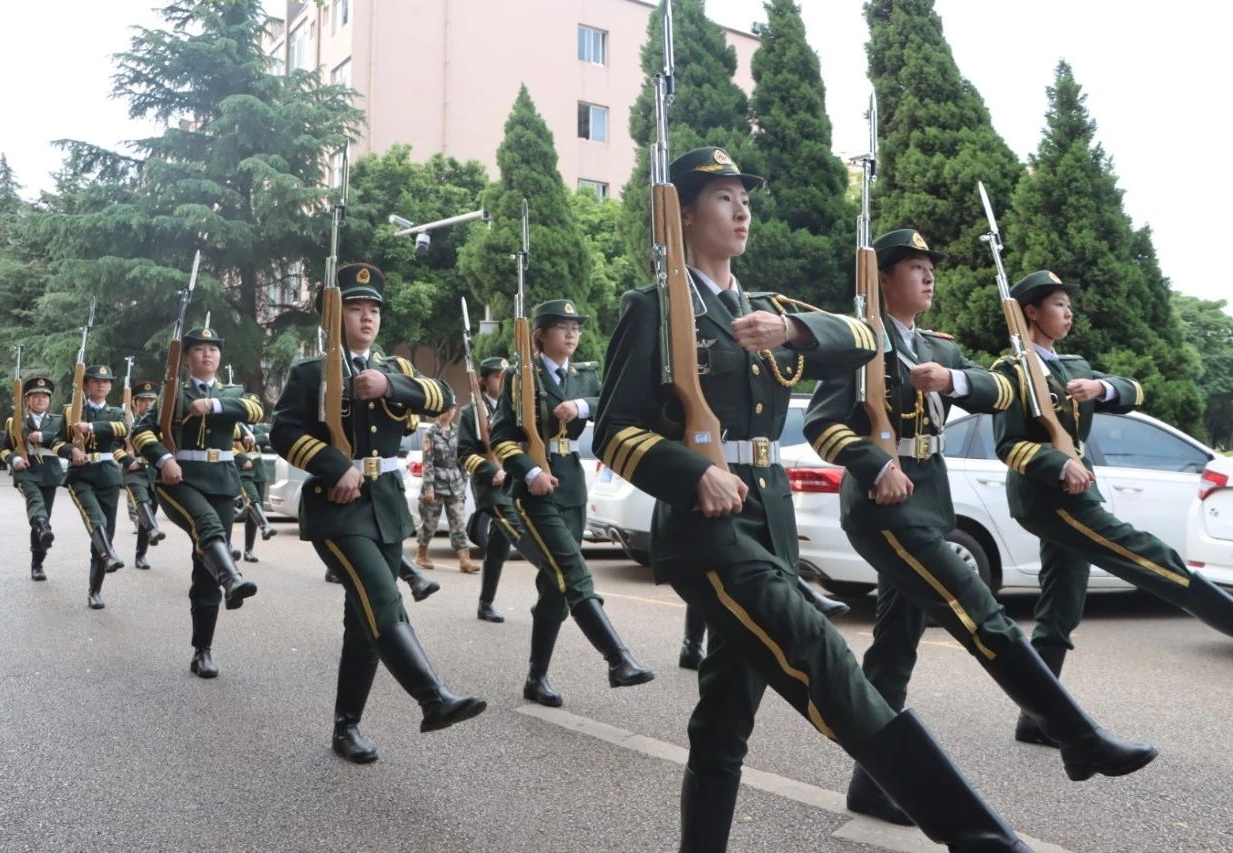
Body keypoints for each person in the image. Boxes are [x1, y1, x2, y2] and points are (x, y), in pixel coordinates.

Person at [595, 146, 1031, 852]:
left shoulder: (763, 310)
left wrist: (792, 330)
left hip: (768, 522)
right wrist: (688, 472)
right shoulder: (653, 308)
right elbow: (613, 430)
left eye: (745, 198)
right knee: (819, 650)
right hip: (706, 534)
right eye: (722, 198)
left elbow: (862, 340)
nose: (742, 211)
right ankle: (978, 835)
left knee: (725, 714)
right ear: (681, 213)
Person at [806, 229, 1158, 827]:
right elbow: (822, 424)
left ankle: (870, 782)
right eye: (914, 267)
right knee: (979, 610)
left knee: (895, 648)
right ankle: (1076, 735)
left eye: (931, 268)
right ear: (883, 278)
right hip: (884, 508)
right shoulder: (862, 344)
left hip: (928, 503)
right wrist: (874, 463)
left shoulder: (937, 349)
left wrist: (955, 381)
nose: (929, 276)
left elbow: (1003, 390)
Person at [992, 270, 1233, 744]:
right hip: (1048, 498)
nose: (1069, 312)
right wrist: (1056, 465)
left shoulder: (1071, 365)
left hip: (1078, 492)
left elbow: (1131, 390)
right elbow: (1008, 446)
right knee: (1144, 553)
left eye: (1069, 304)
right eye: (1059, 304)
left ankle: (1039, 717)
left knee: (1061, 602)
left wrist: (1100, 389)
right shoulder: (1011, 370)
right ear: (1030, 312)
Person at [271, 262, 485, 765]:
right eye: (355, 308)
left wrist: (389, 387)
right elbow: (281, 433)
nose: (367, 318)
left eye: (373, 310)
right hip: (337, 506)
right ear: (334, 314)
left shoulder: (394, 369)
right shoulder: (310, 371)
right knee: (384, 598)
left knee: (364, 620)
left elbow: (443, 397)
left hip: (385, 504)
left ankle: (347, 726)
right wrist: (330, 465)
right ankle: (433, 697)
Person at [491, 298, 655, 708]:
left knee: (554, 590)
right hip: (535, 493)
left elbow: (619, 408)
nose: (572, 334)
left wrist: (581, 406)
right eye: (562, 326)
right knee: (573, 572)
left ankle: (536, 677)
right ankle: (619, 660)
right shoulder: (520, 377)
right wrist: (529, 471)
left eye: (576, 327)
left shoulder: (585, 377)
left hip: (572, 489)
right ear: (540, 335)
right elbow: (501, 437)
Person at [131, 327, 261, 677]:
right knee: (209, 527)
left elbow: (255, 410)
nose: (207, 355)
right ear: (187, 358)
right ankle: (232, 578)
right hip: (180, 478)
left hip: (221, 481)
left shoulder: (232, 392)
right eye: (200, 349)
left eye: (213, 349)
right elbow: (141, 431)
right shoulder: (172, 392)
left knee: (205, 564)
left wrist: (214, 404)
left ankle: (202, 649)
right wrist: (163, 459)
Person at [54, 364, 130, 609]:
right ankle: (108, 555)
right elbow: (56, 442)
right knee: (94, 516)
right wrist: (71, 450)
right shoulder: (72, 411)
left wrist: (91, 427)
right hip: (80, 475)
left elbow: (123, 430)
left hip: (107, 475)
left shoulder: (116, 412)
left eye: (106, 382)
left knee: (106, 531)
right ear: (86, 385)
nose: (101, 385)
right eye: (96, 381)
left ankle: (95, 590)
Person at [456, 356, 516, 622]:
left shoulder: (513, 409)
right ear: (483, 381)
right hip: (489, 486)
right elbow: (464, 454)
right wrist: (491, 471)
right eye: (496, 377)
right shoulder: (471, 412)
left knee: (500, 544)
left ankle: (485, 603)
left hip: (513, 483)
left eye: (505, 377)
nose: (502, 382)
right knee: (518, 530)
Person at [0, 376, 65, 581]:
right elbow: (3, 449)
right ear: (27, 400)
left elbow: (65, 440)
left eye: (45, 396)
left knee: (42, 516)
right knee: (36, 505)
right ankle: (43, 532)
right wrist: (15, 459)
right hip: (26, 472)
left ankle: (38, 561)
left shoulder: (58, 420)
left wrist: (42, 437)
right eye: (36, 396)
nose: (41, 399)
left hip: (49, 473)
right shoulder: (15, 422)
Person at [414, 404, 477, 573]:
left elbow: (462, 459)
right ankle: (421, 554)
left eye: (452, 409)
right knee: (429, 523)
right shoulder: (431, 433)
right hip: (436, 483)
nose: (449, 412)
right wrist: (428, 488)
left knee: (458, 522)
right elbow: (427, 463)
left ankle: (465, 560)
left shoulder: (457, 432)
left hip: (455, 483)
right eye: (446, 409)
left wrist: (463, 483)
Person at [122, 379, 165, 570]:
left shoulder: (160, 424)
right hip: (134, 470)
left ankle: (141, 554)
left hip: (154, 471)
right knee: (142, 503)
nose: (147, 404)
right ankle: (152, 529)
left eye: (151, 401)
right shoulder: (125, 422)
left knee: (151, 510)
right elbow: (115, 447)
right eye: (143, 401)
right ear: (135, 403)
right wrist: (126, 458)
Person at [233, 400, 276, 563]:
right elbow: (227, 444)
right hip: (243, 472)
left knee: (252, 514)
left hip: (258, 473)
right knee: (252, 501)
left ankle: (248, 550)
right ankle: (266, 526)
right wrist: (241, 458)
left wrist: (254, 439)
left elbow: (269, 436)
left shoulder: (255, 428)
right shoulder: (235, 425)